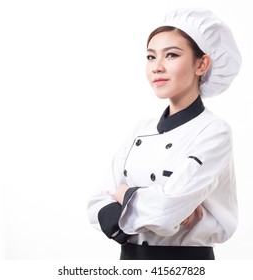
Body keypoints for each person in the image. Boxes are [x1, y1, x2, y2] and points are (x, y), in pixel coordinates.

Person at [87, 7, 241, 260]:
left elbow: (167, 210)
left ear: (201, 64)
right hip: (129, 261)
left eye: (171, 55)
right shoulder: (140, 129)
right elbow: (96, 204)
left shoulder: (214, 132)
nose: (157, 67)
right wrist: (168, 208)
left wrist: (124, 194)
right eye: (150, 57)